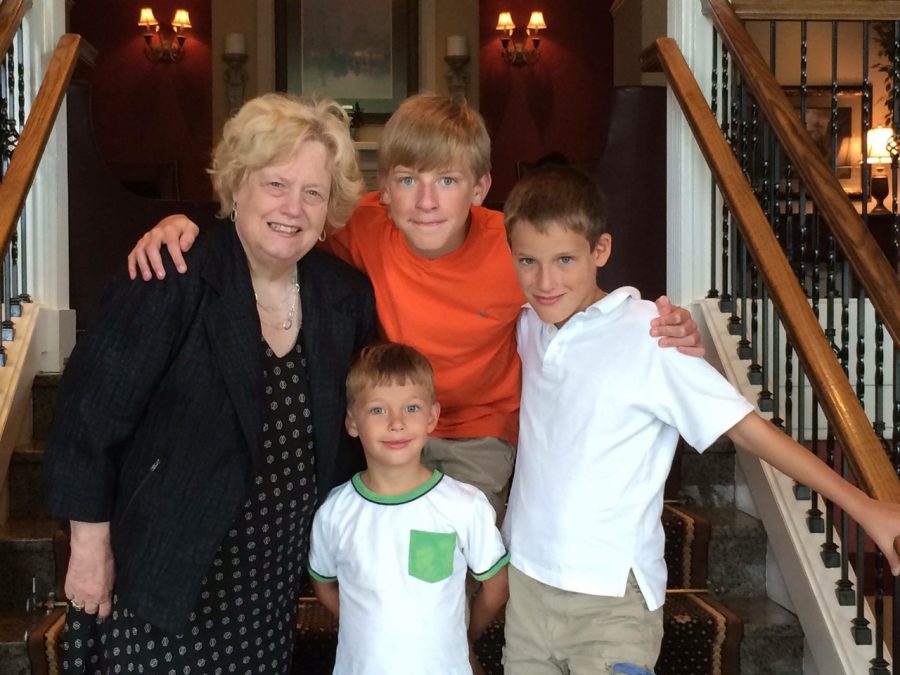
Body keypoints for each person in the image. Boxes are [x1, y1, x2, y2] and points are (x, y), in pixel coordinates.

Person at [124, 94, 703, 525]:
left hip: (476, 430)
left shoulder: (514, 247)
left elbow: (585, 295)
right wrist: (194, 229)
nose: (426, 202)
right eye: (408, 180)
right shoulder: (364, 226)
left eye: (447, 180)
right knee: (379, 540)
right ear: (384, 187)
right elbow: (274, 225)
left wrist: (661, 328)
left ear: (479, 189)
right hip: (387, 420)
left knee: (444, 548)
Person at [499, 165, 900, 674]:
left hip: (611, 601)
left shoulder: (651, 335)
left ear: (600, 251)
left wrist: (862, 506)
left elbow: (748, 429)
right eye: (527, 261)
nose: (545, 280)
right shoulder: (530, 325)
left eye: (564, 259)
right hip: (530, 586)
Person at [43, 93, 375, 673]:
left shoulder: (342, 295)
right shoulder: (173, 274)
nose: (292, 207)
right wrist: (88, 547)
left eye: (313, 193)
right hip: (162, 580)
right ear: (238, 184)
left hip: (268, 597)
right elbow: (86, 418)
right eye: (276, 184)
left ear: (330, 210)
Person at [308, 342, 509, 675]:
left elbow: (496, 585)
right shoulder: (335, 512)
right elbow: (323, 583)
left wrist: (464, 634)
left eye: (412, 408)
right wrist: (362, 621)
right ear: (352, 422)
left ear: (432, 417)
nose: (396, 423)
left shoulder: (464, 505)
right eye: (377, 410)